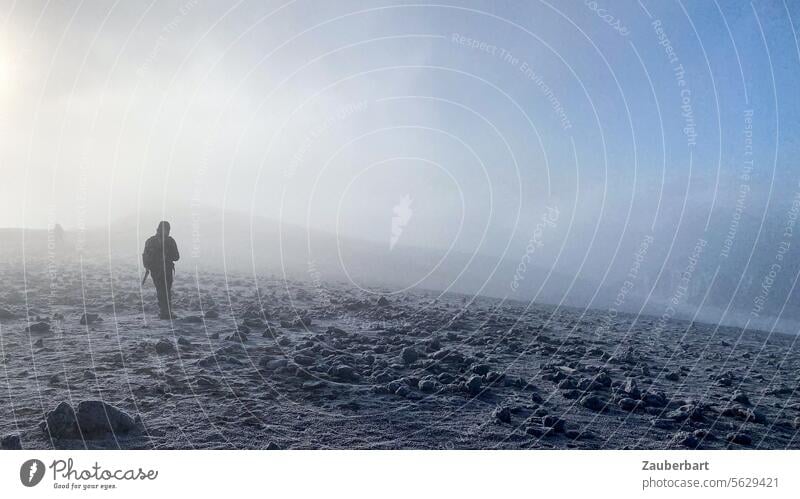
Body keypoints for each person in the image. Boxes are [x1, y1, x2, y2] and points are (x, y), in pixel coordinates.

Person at [142, 221, 180, 319]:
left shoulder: (150, 241)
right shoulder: (169, 241)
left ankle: (164, 311)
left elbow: (145, 256)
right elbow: (176, 257)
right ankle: (166, 312)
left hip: (156, 271)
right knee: (165, 290)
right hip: (164, 270)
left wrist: (148, 267)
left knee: (161, 290)